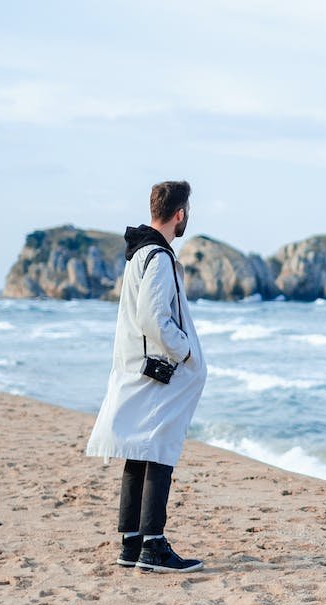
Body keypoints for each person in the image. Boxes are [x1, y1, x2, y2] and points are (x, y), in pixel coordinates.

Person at [86, 180, 208, 573]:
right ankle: (153, 546)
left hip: (139, 369)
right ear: (180, 214)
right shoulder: (157, 256)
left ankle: (132, 543)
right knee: (159, 450)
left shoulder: (141, 254)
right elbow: (153, 318)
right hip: (156, 372)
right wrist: (186, 351)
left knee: (140, 452)